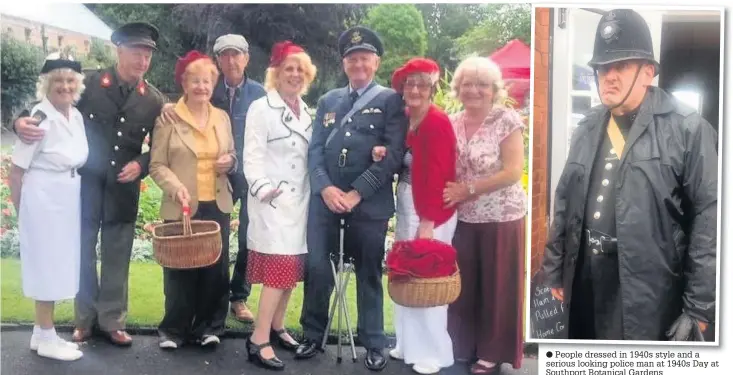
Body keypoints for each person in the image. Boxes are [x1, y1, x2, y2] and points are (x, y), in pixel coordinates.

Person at [540, 9, 717, 341]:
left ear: (648, 72)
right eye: (603, 68)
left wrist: (699, 307)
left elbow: (709, 220)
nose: (609, 76)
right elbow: (564, 202)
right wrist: (553, 273)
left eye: (621, 66)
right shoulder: (588, 126)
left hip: (649, 290)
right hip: (585, 279)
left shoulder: (688, 129)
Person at [12, 22, 168, 346]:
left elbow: (163, 147)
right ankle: (84, 319)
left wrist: (141, 165)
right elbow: (52, 102)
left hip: (123, 189)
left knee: (117, 253)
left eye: (147, 55)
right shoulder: (91, 83)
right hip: (83, 186)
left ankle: (113, 321)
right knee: (82, 251)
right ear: (119, 51)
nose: (142, 61)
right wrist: (19, 120)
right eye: (136, 53)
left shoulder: (153, 100)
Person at [296, 26, 408, 371]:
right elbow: (315, 149)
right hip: (326, 203)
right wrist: (326, 188)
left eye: (365, 58)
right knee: (317, 270)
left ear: (375, 62)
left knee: (369, 274)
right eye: (352, 59)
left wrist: (357, 192)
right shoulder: (329, 100)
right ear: (345, 64)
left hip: (369, 205)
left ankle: (374, 341)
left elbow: (393, 153)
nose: (358, 64)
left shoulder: (391, 100)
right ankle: (313, 335)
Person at [160, 34, 266, 322]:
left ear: (246, 58)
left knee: (248, 238)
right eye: (225, 55)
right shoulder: (208, 87)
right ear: (217, 61)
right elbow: (184, 107)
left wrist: (236, 160)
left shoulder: (260, 94)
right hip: (214, 178)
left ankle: (239, 297)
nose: (231, 61)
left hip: (250, 175)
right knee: (204, 243)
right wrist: (167, 106)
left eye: (237, 54)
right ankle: (194, 308)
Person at [372, 58, 457, 375]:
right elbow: (400, 157)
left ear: (433, 88)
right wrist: (382, 152)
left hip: (431, 211)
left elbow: (439, 175)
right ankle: (407, 344)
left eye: (423, 84)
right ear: (402, 88)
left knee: (429, 279)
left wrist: (428, 222)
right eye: (410, 83)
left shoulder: (437, 122)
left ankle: (434, 352)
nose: (416, 89)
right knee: (406, 274)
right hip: (408, 204)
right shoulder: (407, 118)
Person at [443, 56, 527, 373]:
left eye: (481, 84)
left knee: (497, 287)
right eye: (467, 83)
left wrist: (468, 190)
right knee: (465, 287)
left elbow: (512, 172)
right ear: (458, 88)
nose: (474, 90)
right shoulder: (451, 122)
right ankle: (464, 345)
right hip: (464, 219)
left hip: (502, 217)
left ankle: (493, 351)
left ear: (493, 90)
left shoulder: (506, 120)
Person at [149, 50, 236, 349]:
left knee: (215, 268)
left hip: (217, 203)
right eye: (195, 81)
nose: (201, 86)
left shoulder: (221, 118)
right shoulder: (169, 118)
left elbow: (232, 154)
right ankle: (173, 330)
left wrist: (230, 162)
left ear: (214, 84)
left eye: (207, 80)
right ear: (184, 84)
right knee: (179, 269)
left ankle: (210, 327)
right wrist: (174, 187)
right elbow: (156, 164)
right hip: (182, 204)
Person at [242, 40, 317, 371]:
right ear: (276, 73)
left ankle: (277, 325)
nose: (295, 74)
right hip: (272, 204)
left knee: (290, 273)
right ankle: (258, 339)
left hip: (300, 203)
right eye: (289, 68)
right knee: (277, 273)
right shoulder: (262, 107)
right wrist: (263, 190)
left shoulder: (308, 111)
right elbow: (252, 158)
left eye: (301, 69)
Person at [9, 53, 87, 361]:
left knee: (58, 262)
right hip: (43, 198)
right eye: (58, 81)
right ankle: (46, 334)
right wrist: (21, 212)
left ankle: (42, 334)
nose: (65, 86)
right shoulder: (37, 119)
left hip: (66, 195)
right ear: (46, 85)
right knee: (47, 264)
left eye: (70, 80)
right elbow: (16, 172)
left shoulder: (75, 115)